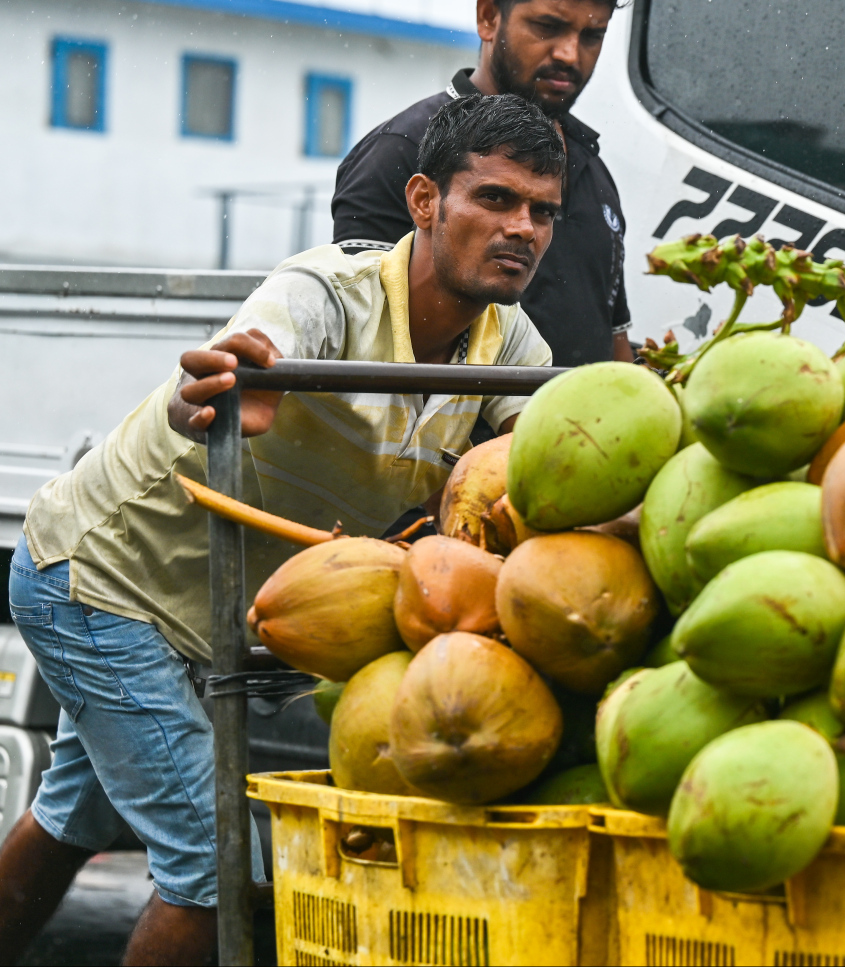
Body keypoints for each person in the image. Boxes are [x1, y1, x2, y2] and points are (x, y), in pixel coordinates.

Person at [0, 93, 561, 966]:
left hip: (194, 615)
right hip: (100, 577)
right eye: (495, 199)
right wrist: (223, 387)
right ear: (424, 201)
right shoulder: (327, 295)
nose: (521, 227)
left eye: (541, 210)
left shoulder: (514, 350)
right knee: (218, 870)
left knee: (78, 811)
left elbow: (532, 467)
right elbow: (245, 354)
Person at [334, 0, 632, 372]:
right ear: (489, 16)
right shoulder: (400, 150)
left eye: (592, 35)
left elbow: (614, 338)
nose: (570, 54)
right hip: (450, 428)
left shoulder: (591, 166)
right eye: (547, 26)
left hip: (584, 425)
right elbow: (361, 336)